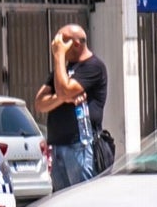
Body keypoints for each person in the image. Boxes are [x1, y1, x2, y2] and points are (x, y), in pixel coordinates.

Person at [35, 24, 108, 189]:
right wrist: (63, 98)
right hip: (58, 145)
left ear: (76, 44)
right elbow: (40, 103)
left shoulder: (94, 66)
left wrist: (59, 56)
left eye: (62, 41)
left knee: (80, 199)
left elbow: (65, 89)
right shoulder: (62, 70)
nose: (57, 45)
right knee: (61, 201)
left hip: (80, 146)